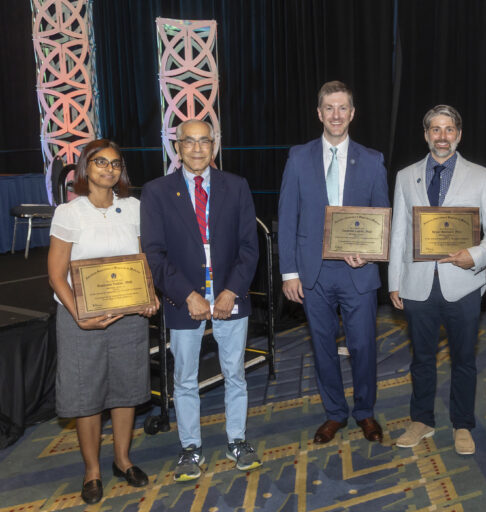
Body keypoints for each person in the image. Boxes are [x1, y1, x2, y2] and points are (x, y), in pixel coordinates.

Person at [140, 119, 261, 482]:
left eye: (204, 141)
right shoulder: (157, 192)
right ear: (177, 147)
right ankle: (190, 447)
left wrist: (231, 290)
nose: (196, 148)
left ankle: (237, 440)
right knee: (185, 379)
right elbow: (154, 253)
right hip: (184, 300)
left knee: (235, 373)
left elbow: (249, 247)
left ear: (214, 145)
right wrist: (187, 294)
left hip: (230, 296)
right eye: (189, 142)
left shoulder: (236, 186)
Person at [278, 81, 389, 444]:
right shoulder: (298, 157)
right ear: (319, 113)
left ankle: (365, 412)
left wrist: (369, 252)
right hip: (314, 272)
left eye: (343, 108)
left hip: (359, 271)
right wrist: (289, 272)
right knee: (322, 346)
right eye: (329, 108)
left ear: (352, 114)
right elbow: (288, 216)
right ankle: (335, 413)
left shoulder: (372, 160)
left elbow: (381, 217)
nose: (336, 115)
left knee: (363, 347)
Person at [48, 139, 157, 504]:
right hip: (81, 319)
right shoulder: (69, 212)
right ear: (85, 167)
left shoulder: (134, 207)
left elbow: (142, 258)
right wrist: (80, 316)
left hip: (128, 316)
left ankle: (123, 460)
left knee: (126, 389)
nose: (109, 169)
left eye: (115, 163)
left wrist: (149, 295)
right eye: (100, 162)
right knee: (87, 394)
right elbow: (56, 275)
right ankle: (92, 471)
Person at [389, 105, 486, 455]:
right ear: (426, 135)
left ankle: (462, 423)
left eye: (449, 129)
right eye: (435, 129)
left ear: (459, 134)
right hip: (417, 284)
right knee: (421, 358)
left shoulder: (481, 176)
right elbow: (398, 232)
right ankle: (421, 420)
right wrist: (394, 281)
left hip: (463, 283)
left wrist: (476, 256)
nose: (442, 136)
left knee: (464, 359)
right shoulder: (406, 176)